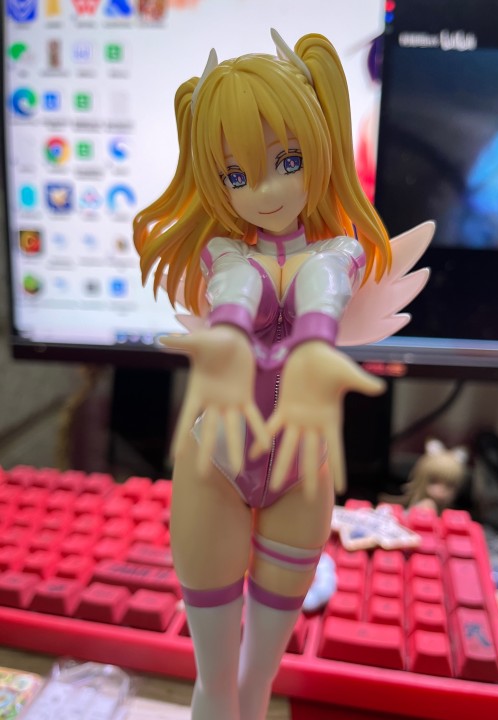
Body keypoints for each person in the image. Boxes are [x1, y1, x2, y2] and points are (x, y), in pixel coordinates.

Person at [133, 29, 431, 720]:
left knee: (258, 676)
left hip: (301, 471)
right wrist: (229, 341)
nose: (265, 191)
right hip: (215, 464)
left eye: (286, 161)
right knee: (214, 681)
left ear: (317, 149)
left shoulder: (337, 253)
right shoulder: (224, 255)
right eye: (235, 176)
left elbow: (321, 285)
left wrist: (316, 342)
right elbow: (236, 292)